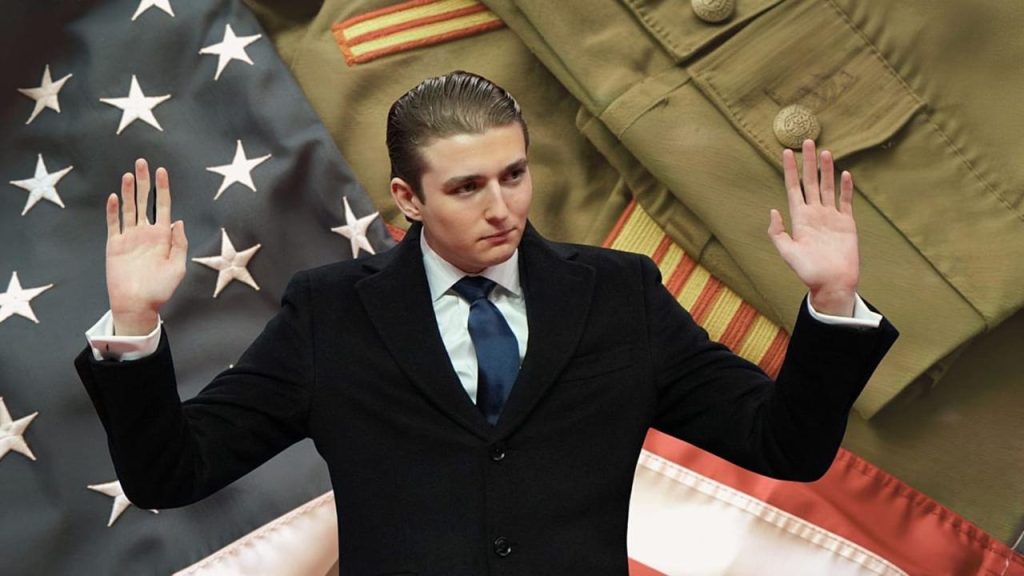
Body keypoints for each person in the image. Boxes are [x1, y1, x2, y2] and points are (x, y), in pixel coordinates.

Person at [76, 71, 897, 574]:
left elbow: (784, 447)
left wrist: (831, 302)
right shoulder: (330, 313)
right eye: (468, 187)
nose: (502, 208)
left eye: (513, 174)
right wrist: (135, 319)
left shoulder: (620, 295)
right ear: (409, 198)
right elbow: (171, 475)